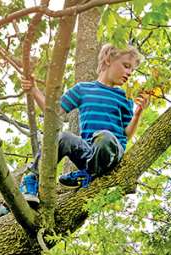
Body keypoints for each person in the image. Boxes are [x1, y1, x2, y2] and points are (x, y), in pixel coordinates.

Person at [19, 44, 149, 204]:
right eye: (126, 66)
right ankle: (31, 180)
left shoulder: (124, 97)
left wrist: (138, 114)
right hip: (88, 153)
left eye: (132, 70)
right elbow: (53, 112)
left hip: (111, 153)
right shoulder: (83, 89)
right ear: (108, 59)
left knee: (105, 137)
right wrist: (34, 90)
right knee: (62, 137)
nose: (129, 73)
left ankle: (87, 173)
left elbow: (127, 134)